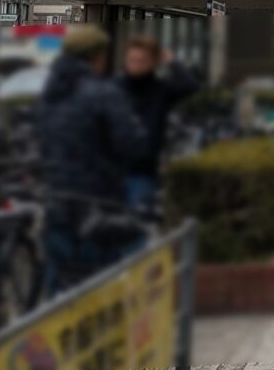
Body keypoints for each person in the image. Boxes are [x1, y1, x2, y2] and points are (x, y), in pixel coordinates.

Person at [36, 25, 149, 292]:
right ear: (97, 56)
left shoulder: (49, 95)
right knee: (106, 274)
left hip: (57, 196)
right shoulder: (103, 93)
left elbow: (40, 140)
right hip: (98, 199)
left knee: (60, 276)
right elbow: (132, 143)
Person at [118, 35, 201, 211]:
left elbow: (191, 85)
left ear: (153, 63)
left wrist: (171, 61)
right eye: (132, 60)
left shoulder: (161, 89)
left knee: (138, 226)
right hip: (112, 171)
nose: (136, 65)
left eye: (142, 61)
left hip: (143, 172)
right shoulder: (114, 87)